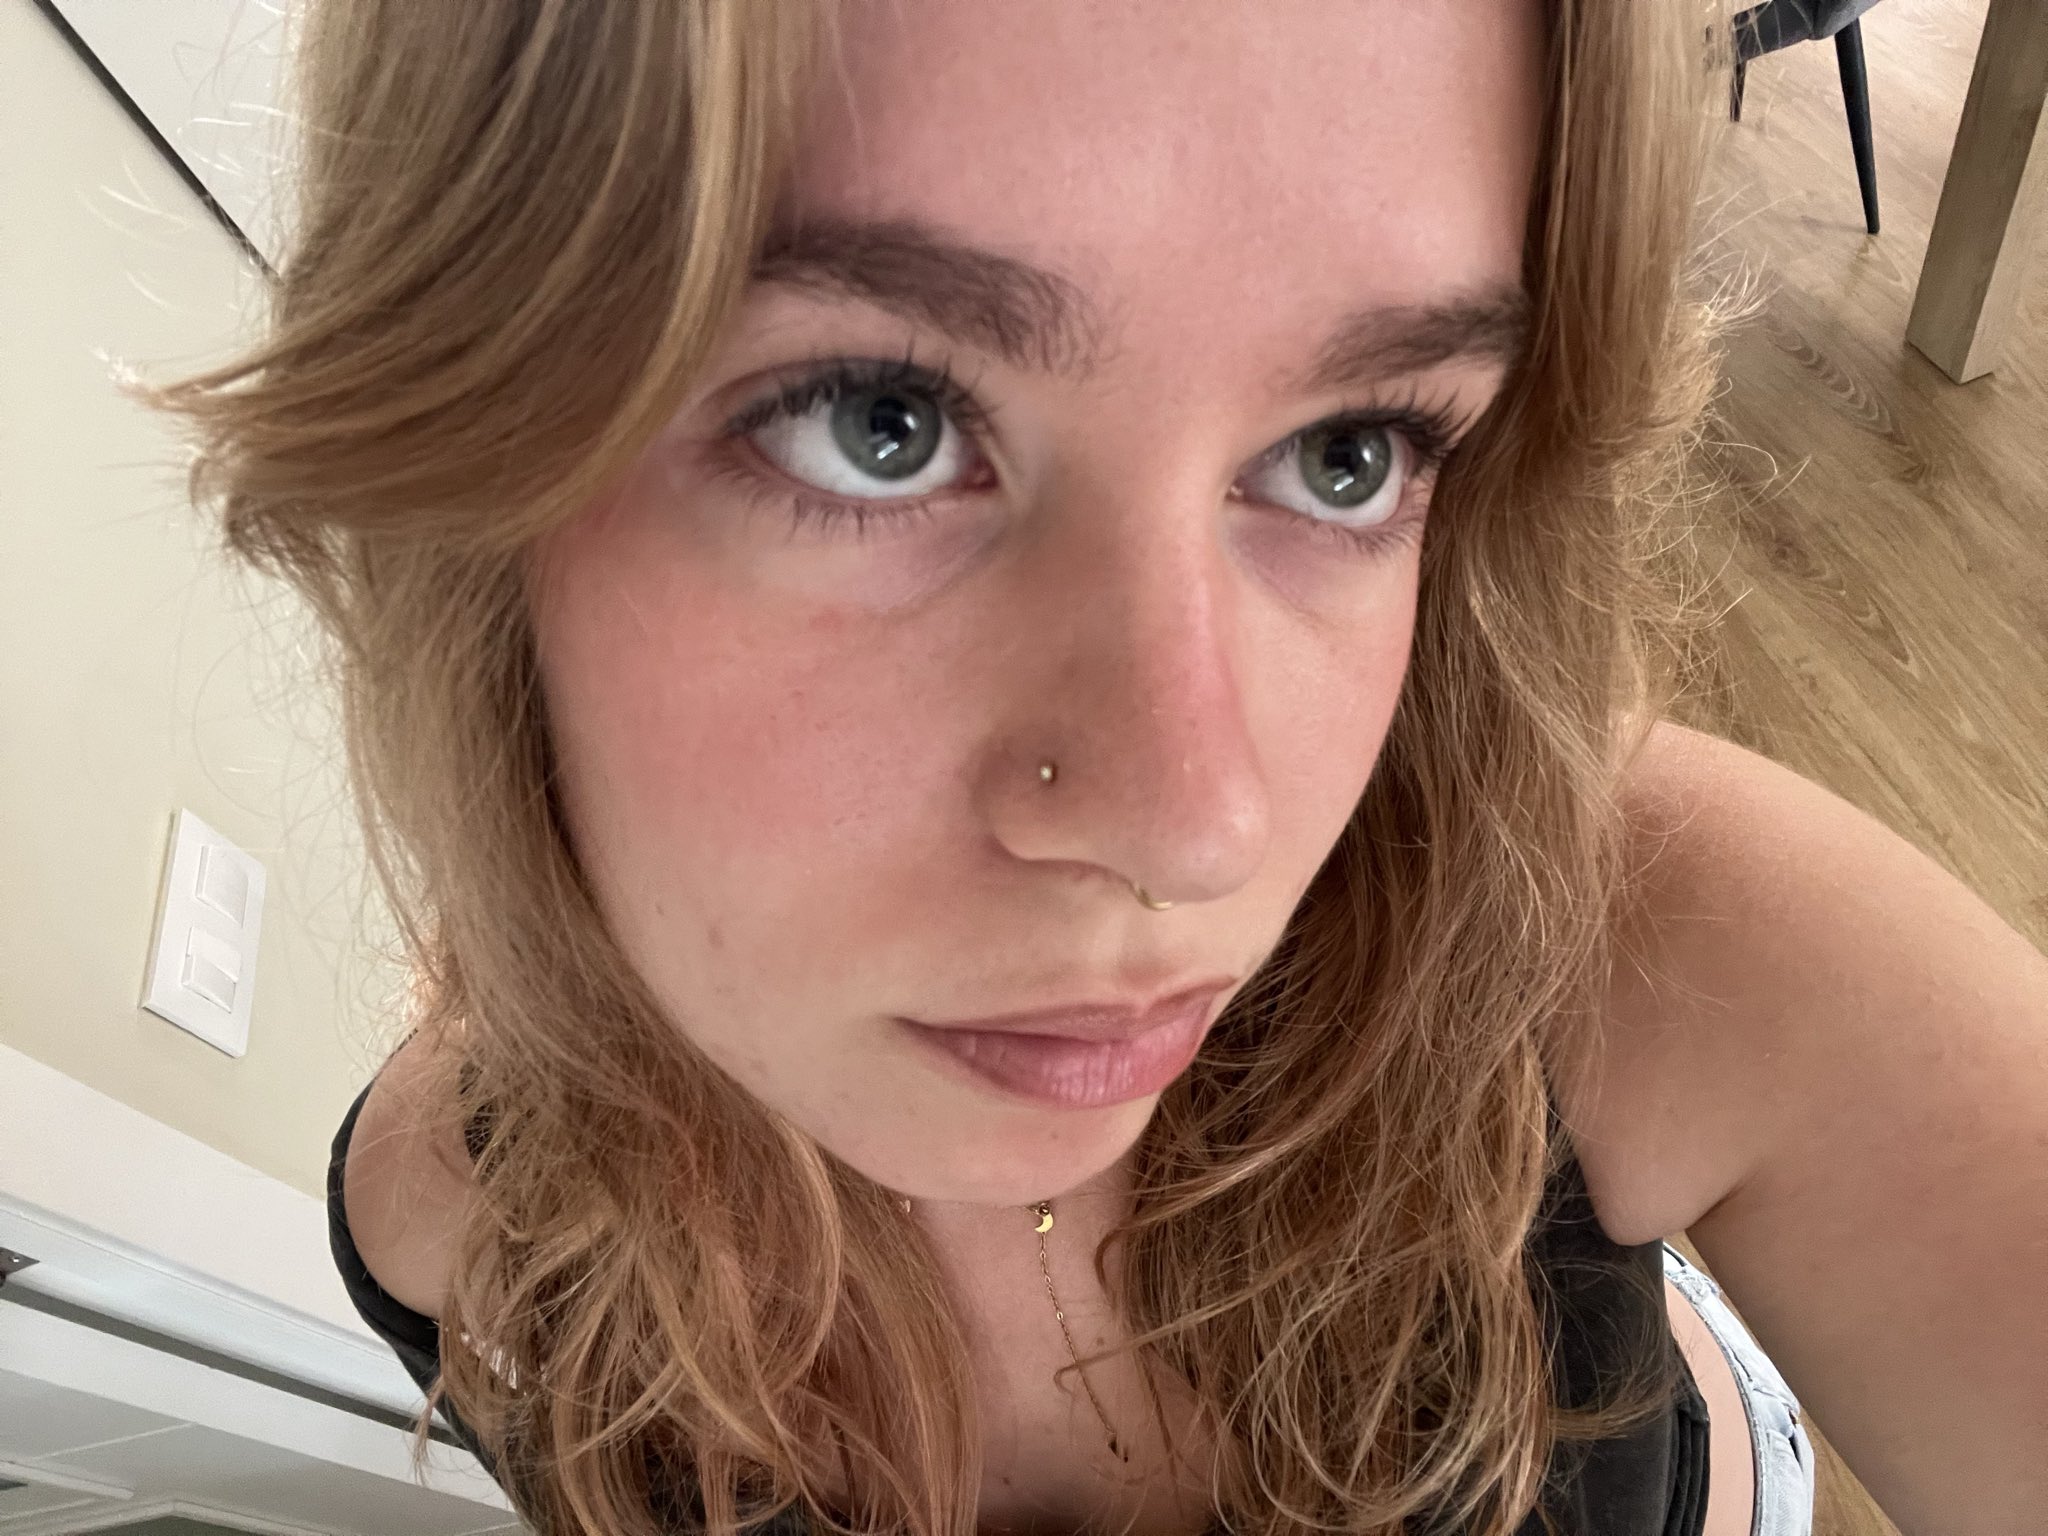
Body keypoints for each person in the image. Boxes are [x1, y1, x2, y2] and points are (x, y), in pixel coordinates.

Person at [147, 3, 2048, 1535]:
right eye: (879, 423)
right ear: (470, 474)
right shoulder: (463, 1233)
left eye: (1353, 451)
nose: (1200, 826)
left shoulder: (1658, 946)